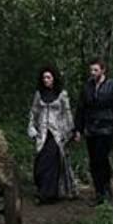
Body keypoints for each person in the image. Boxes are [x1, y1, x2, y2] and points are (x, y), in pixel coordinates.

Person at [74, 58, 113, 206]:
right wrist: (78, 129)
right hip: (91, 128)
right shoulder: (87, 86)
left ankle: (106, 190)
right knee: (94, 161)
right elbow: (81, 108)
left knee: (102, 159)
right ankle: (98, 191)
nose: (93, 73)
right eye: (91, 70)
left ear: (103, 70)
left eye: (95, 70)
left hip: (106, 128)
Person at [27, 66, 77, 203]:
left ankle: (47, 194)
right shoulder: (39, 94)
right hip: (42, 134)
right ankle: (43, 189)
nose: (46, 80)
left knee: (52, 163)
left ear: (54, 78)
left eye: (48, 77)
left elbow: (67, 113)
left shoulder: (61, 94)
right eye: (44, 77)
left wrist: (71, 131)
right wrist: (32, 129)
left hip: (57, 134)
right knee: (40, 163)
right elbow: (34, 113)